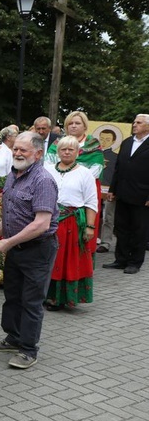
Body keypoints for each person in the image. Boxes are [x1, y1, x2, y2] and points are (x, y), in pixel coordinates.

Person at [0, 132, 58, 369]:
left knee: (32, 301)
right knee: (13, 296)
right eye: (15, 149)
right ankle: (13, 338)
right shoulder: (13, 176)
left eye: (23, 150)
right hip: (16, 247)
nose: (17, 153)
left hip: (38, 249)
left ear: (37, 154)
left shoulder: (43, 180)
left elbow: (41, 223)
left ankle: (28, 350)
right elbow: (10, 215)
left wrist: (9, 241)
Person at [43, 136, 99, 310]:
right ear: (58, 152)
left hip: (72, 223)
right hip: (48, 219)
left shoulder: (85, 173)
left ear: (78, 152)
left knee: (66, 259)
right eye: (63, 149)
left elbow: (91, 202)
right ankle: (46, 295)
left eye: (71, 149)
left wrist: (89, 227)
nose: (66, 152)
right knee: (48, 259)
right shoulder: (47, 169)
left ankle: (62, 298)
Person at [103, 114, 149, 274]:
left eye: (139, 122)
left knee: (139, 230)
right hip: (122, 192)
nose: (134, 124)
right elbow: (118, 168)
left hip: (142, 196)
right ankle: (120, 260)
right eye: (134, 122)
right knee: (121, 228)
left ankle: (135, 262)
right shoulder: (127, 142)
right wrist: (112, 189)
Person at [45, 111, 104, 180]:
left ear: (84, 126)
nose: (73, 126)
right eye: (70, 123)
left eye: (77, 123)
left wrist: (76, 180)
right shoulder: (57, 143)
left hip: (84, 184)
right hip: (58, 181)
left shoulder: (93, 145)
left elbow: (97, 168)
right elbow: (48, 164)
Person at [96, 129, 119, 253]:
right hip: (94, 189)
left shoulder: (116, 157)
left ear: (114, 141)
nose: (104, 142)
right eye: (102, 138)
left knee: (108, 217)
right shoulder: (93, 154)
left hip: (109, 189)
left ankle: (106, 242)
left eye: (108, 139)